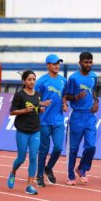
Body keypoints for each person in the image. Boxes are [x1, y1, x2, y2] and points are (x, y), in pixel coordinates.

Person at [7, 70, 44, 195]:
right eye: (29, 79)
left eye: (34, 79)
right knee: (21, 158)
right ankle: (12, 172)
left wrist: (41, 109)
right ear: (24, 81)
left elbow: (38, 110)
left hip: (35, 130)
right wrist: (24, 110)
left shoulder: (38, 94)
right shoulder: (19, 95)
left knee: (33, 157)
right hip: (22, 130)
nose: (32, 81)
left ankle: (29, 185)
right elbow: (12, 112)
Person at [65, 52, 99, 185]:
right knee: (73, 148)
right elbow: (67, 96)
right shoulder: (73, 78)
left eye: (90, 62)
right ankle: (70, 175)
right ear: (80, 63)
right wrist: (76, 97)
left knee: (91, 146)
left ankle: (82, 168)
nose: (88, 65)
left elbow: (93, 91)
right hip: (77, 116)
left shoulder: (93, 76)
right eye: (86, 62)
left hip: (90, 116)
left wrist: (96, 102)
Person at [35, 54, 68, 187]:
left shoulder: (63, 81)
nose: (57, 66)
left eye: (58, 63)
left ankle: (48, 167)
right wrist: (41, 105)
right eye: (54, 63)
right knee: (43, 149)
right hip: (44, 121)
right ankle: (39, 175)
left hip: (58, 120)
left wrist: (65, 104)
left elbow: (64, 95)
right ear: (48, 65)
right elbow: (34, 98)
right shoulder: (41, 81)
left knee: (59, 147)